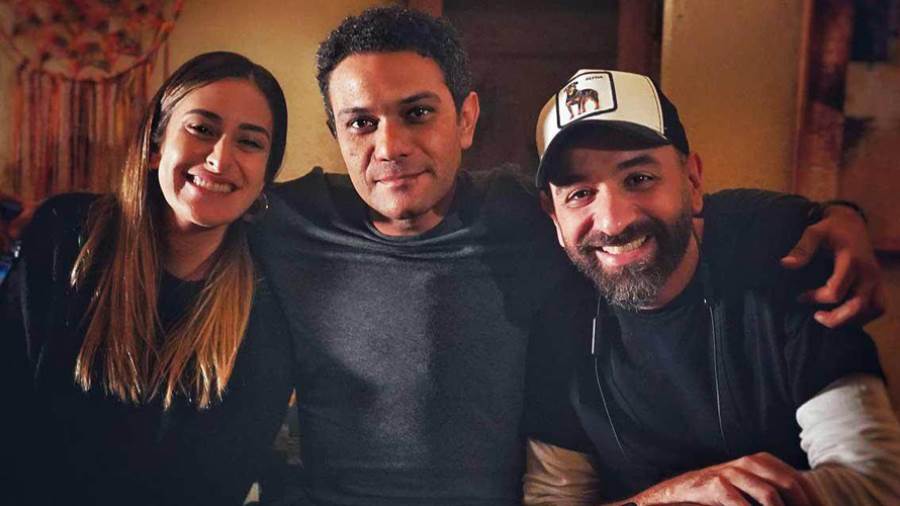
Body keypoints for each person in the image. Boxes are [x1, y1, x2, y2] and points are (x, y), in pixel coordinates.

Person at [249, 6, 885, 504]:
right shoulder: (285, 219)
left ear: (465, 119)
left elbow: (696, 213)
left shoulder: (528, 218)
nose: (389, 146)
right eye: (361, 122)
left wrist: (833, 217)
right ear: (335, 133)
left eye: (417, 112)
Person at [524, 69, 900, 505]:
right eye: (579, 193)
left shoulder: (780, 252)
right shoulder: (557, 316)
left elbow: (877, 484)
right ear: (554, 218)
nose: (613, 221)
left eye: (639, 178)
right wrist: (671, 498)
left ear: (693, 181)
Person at [2, 51, 294, 506]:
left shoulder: (266, 305)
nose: (220, 159)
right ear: (156, 145)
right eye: (202, 129)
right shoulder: (64, 236)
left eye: (250, 142)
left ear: (265, 176)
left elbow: (218, 484)